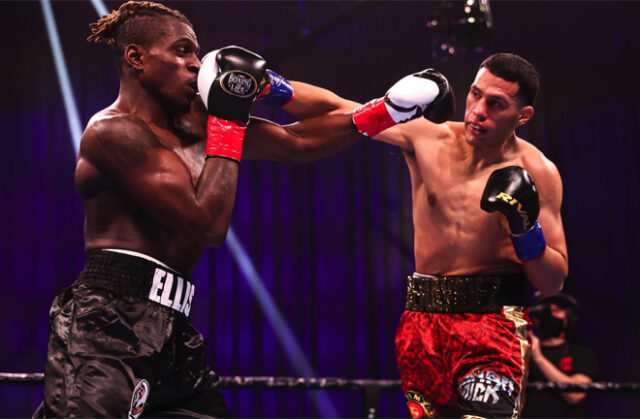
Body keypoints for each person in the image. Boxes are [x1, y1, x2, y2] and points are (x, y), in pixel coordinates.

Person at [34, 1, 371, 417]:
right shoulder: (112, 132)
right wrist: (230, 123)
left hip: (174, 329)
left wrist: (383, 111)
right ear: (136, 57)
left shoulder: (199, 122)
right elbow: (207, 224)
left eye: (196, 52)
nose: (196, 64)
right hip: (107, 323)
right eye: (181, 51)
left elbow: (301, 141)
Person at [276, 53, 569, 418]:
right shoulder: (428, 137)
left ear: (522, 116)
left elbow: (552, 282)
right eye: (476, 95)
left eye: (496, 105)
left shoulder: (538, 171)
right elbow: (339, 109)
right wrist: (270, 87)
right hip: (422, 325)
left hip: (492, 327)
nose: (478, 111)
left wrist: (525, 228)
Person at [522, 293, 599, 418]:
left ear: (568, 318)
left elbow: (575, 395)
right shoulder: (522, 354)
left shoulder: (582, 355)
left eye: (557, 310)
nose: (551, 315)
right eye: (546, 310)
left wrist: (538, 358)